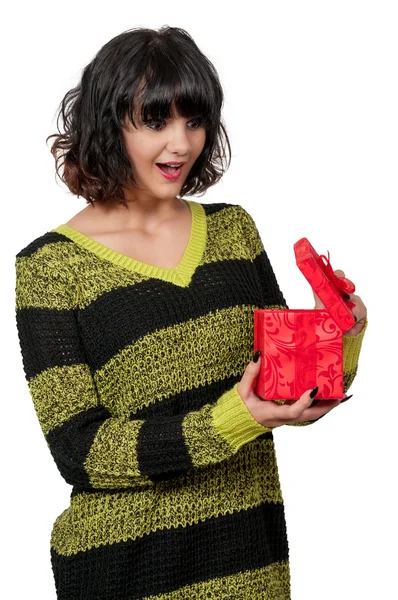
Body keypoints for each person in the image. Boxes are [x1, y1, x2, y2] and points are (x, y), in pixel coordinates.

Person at [14, 25, 367, 600]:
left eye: (195, 120)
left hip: (249, 563)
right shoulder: (51, 267)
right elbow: (77, 450)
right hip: (126, 571)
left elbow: (282, 389)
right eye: (156, 121)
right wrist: (227, 423)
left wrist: (339, 332)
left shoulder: (233, 230)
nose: (181, 143)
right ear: (108, 123)